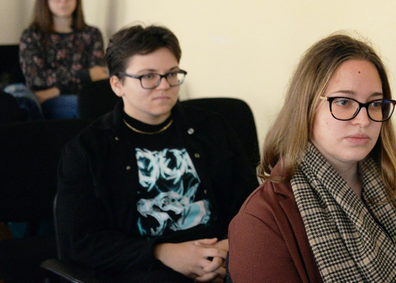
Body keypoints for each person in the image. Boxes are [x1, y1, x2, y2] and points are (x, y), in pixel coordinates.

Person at [228, 33, 396, 283]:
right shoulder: (260, 222)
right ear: (306, 107)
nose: (364, 120)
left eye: (375, 104)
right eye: (343, 102)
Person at [56, 25, 258, 283]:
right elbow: (80, 243)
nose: (164, 85)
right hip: (143, 268)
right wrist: (161, 253)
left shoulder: (212, 127)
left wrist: (226, 250)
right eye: (148, 76)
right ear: (117, 84)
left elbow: (250, 206)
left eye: (171, 74)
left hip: (223, 255)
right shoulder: (87, 149)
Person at [9, 0, 107, 119]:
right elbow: (37, 78)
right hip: (46, 103)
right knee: (82, 107)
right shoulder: (32, 35)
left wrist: (54, 90)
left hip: (76, 97)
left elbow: (98, 77)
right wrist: (85, 75)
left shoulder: (92, 34)